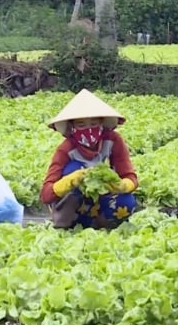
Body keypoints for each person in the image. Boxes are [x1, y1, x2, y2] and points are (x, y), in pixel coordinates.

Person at [40, 89, 138, 229]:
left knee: (126, 201)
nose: (89, 130)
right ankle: (70, 222)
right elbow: (46, 195)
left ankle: (102, 224)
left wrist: (123, 185)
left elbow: (130, 176)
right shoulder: (66, 149)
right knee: (74, 168)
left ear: (102, 123)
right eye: (81, 125)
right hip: (75, 206)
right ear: (72, 127)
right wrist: (70, 181)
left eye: (94, 124)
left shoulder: (113, 140)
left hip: (100, 200)